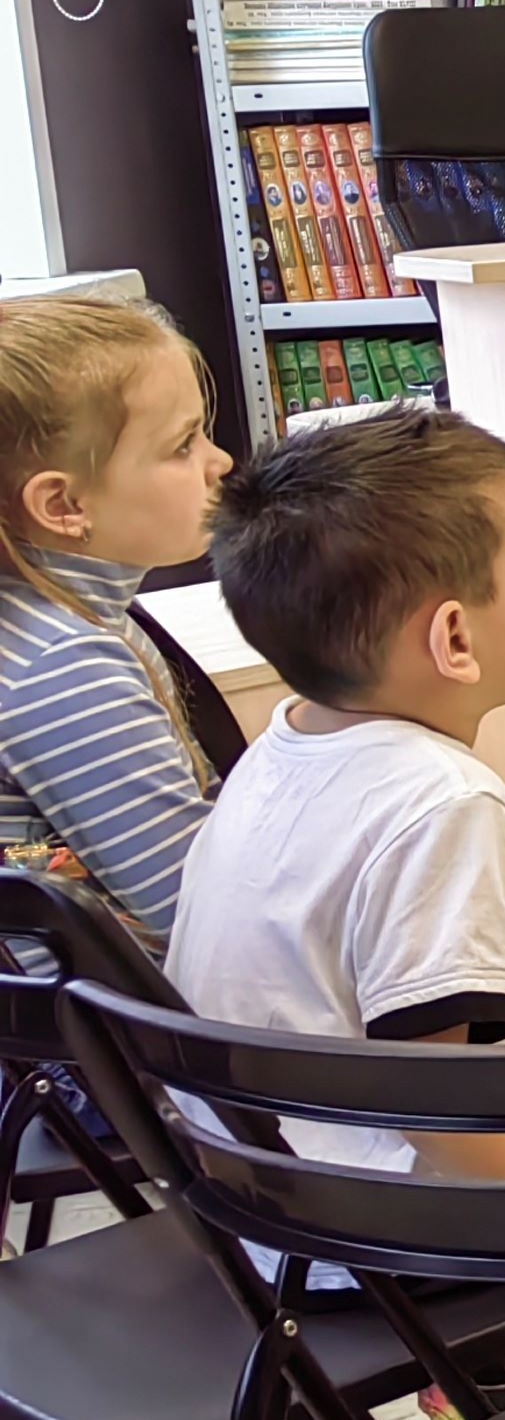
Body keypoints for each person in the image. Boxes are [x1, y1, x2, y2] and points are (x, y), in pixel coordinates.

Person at [171, 409, 505, 1203]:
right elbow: (432, 1102)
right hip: (374, 1222)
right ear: (455, 639)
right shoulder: (445, 799)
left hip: (253, 1197)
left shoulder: (283, 745)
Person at [0, 295, 236, 938]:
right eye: (183, 445)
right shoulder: (63, 665)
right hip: (124, 1002)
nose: (219, 462)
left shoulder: (62, 618)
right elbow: (203, 913)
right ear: (63, 505)